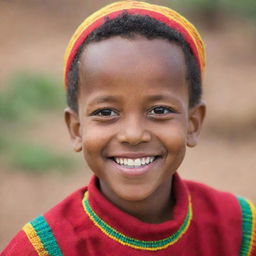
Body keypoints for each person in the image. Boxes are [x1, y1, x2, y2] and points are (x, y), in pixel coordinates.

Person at [1, 1, 256, 255]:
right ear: (76, 129)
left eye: (159, 110)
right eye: (106, 112)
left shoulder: (239, 230)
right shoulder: (44, 248)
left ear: (193, 123)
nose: (133, 134)